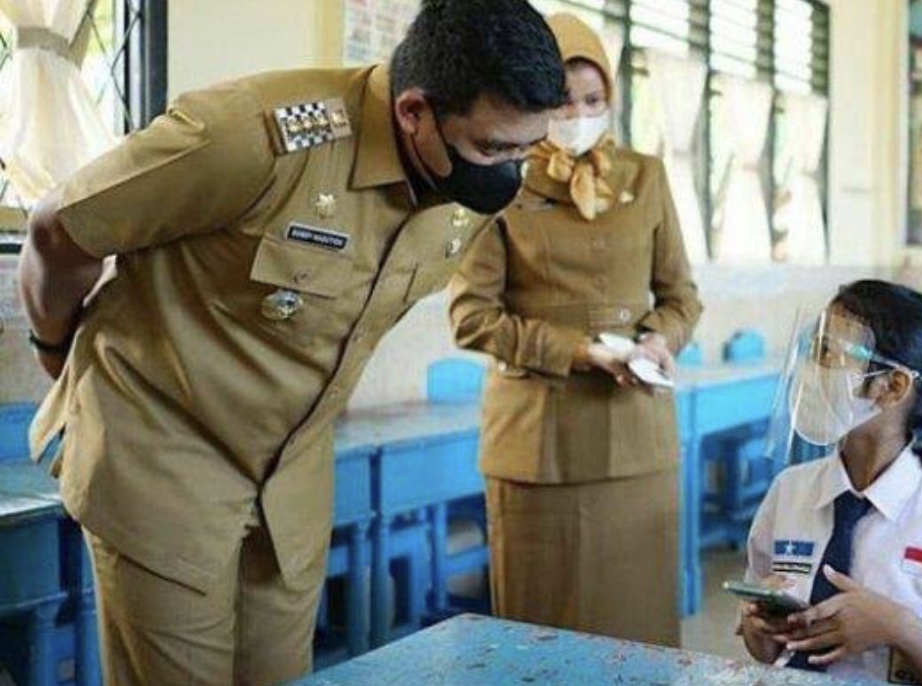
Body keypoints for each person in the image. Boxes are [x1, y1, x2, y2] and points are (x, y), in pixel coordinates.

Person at [16, 1, 566, 683]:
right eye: (492, 149)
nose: (508, 173)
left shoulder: (467, 186)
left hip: (290, 481)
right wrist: (53, 346)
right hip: (162, 456)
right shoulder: (251, 137)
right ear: (414, 111)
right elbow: (58, 229)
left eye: (526, 150)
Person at [448, 13, 702, 648]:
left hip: (636, 438)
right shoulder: (496, 177)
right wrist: (578, 351)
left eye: (593, 100)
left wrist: (657, 341)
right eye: (562, 99)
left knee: (635, 626)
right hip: (539, 447)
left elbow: (681, 298)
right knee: (542, 625)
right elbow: (472, 317)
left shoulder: (646, 177)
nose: (578, 113)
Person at [740, 280, 922, 686]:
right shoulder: (789, 492)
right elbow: (770, 652)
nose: (809, 371)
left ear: (892, 387)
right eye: (812, 349)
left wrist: (901, 630)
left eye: (827, 354)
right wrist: (760, 630)